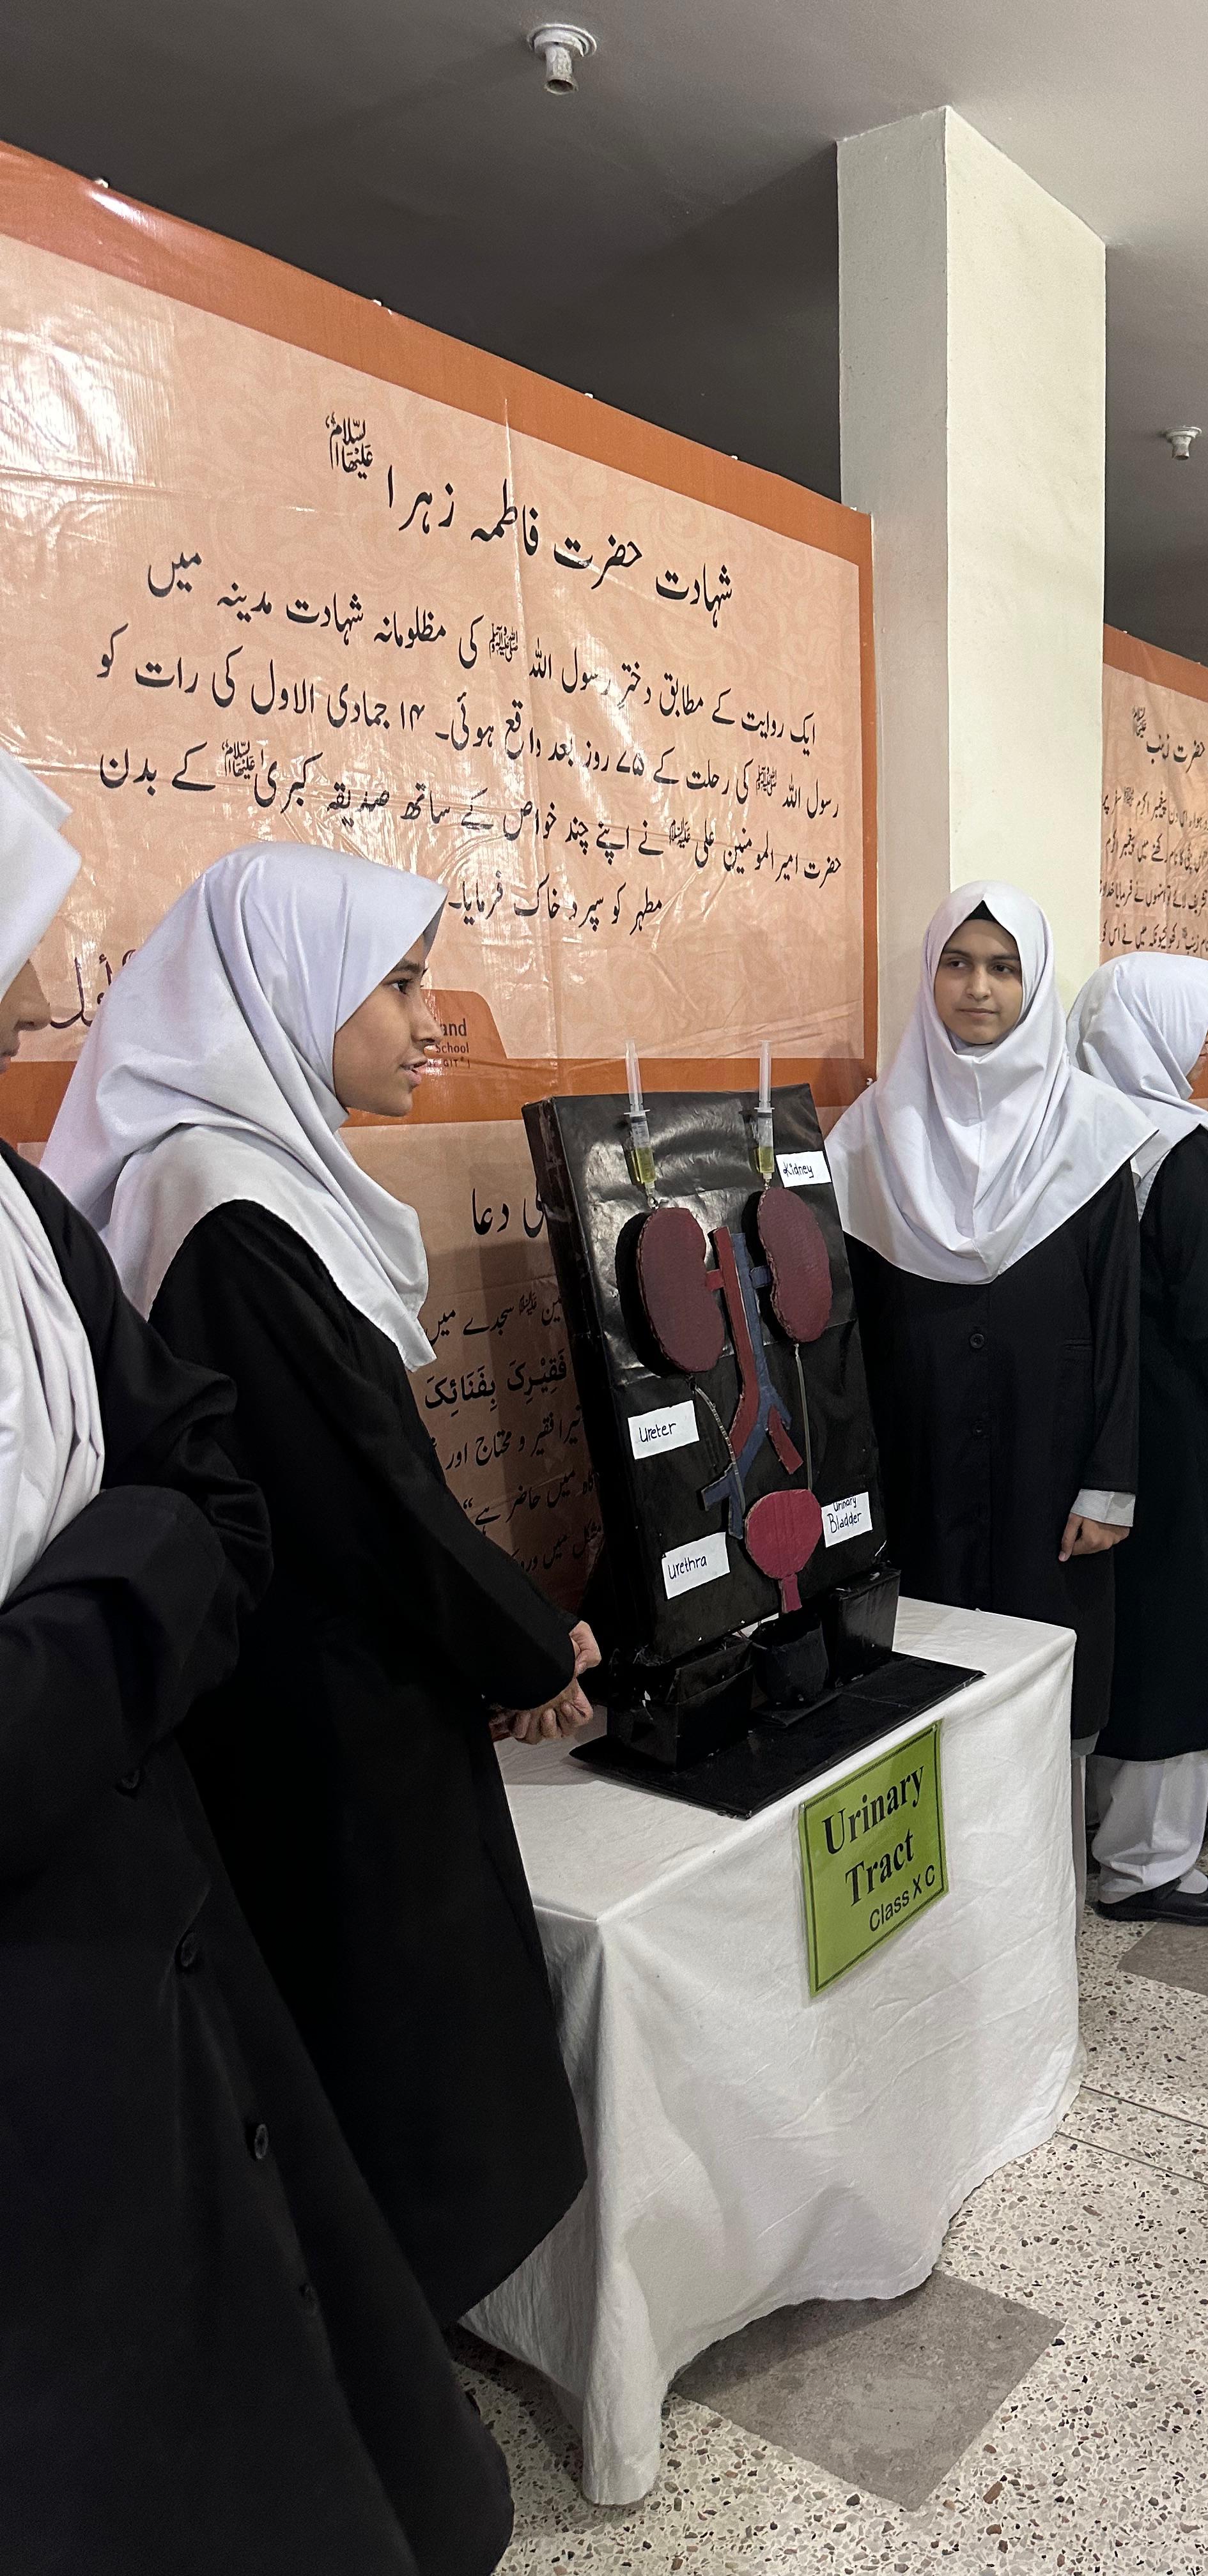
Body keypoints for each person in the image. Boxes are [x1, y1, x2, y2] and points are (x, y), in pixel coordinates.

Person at [0, 759, 515, 2574]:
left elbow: (198, 1482)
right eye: (396, 983)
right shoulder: (220, 1200)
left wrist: (115, 1582)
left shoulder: (42, 1211)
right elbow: (286, 1507)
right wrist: (140, 1573)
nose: (48, 985)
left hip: (151, 1827)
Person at [45, 842, 593, 2328]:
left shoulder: (251, 1184)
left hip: (341, 1696)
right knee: (382, 2055)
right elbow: (365, 1500)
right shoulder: (224, 1207)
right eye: (398, 984)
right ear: (287, 987)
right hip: (320, 1730)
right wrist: (528, 1644)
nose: (428, 1023)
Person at [828, 882, 1153, 1745]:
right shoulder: (868, 1136)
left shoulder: (1093, 1131)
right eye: (958, 964)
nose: (979, 988)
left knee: (1046, 1702)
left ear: (1033, 983)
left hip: (1052, 1469)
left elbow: (1122, 1326)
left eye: (1004, 968)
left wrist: (1111, 1485)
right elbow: (846, 1337)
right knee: (927, 1693)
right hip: (919, 1467)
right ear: (929, 978)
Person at [1067, 952, 1208, 1926]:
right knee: (1183, 1637)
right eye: (1194, 1020)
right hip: (1176, 1427)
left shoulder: (1067, 1127)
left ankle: (1112, 1829)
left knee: (1122, 1632)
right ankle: (1149, 1864)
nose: (1203, 1039)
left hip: (1091, 1428)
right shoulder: (1174, 1144)